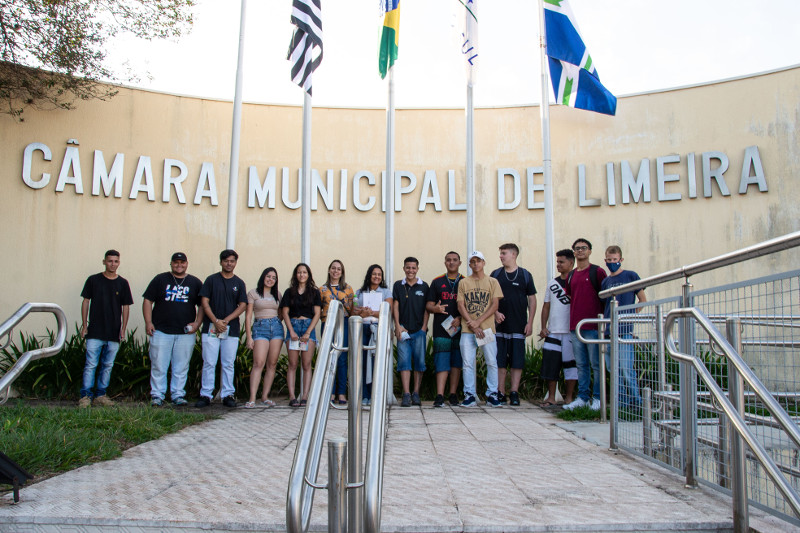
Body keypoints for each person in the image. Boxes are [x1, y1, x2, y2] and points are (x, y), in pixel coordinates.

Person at [142, 252, 203, 407]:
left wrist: (197, 323)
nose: (179, 265)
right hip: (161, 330)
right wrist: (148, 322)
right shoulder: (160, 279)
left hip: (185, 332)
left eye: (182, 262)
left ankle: (178, 394)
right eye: (176, 262)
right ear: (171, 264)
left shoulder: (195, 282)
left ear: (187, 264)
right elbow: (148, 300)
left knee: (181, 366)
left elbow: (203, 305)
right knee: (158, 365)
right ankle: (157, 395)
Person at [78, 249, 134, 408]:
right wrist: (84, 325)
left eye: (116, 261)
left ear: (119, 263)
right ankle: (85, 396)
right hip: (95, 331)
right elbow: (85, 302)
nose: (113, 264)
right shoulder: (93, 280)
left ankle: (101, 395)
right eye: (110, 261)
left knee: (108, 365)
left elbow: (126, 307)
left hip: (113, 332)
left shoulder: (123, 283)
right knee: (91, 364)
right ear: (104, 262)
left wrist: (123, 329)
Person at [195, 249, 247, 408]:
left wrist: (225, 321)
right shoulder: (211, 280)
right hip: (210, 328)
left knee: (228, 363)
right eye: (226, 261)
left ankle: (227, 394)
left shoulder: (239, 283)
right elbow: (205, 302)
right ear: (221, 262)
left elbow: (243, 305)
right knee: (209, 362)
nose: (229, 263)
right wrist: (215, 321)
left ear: (235, 263)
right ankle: (206, 394)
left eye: (232, 261)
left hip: (230, 330)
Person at [564, 238, 607, 411]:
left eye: (584, 248)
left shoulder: (597, 272)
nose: (580, 251)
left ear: (589, 251)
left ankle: (597, 398)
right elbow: (570, 297)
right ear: (574, 252)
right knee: (581, 365)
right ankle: (582, 397)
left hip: (594, 327)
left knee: (596, 364)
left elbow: (605, 296)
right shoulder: (572, 275)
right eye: (577, 248)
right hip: (575, 326)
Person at [601, 245, 647, 411]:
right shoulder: (606, 282)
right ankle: (621, 404)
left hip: (625, 330)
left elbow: (642, 299)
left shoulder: (630, 276)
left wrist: (629, 315)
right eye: (609, 260)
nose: (612, 262)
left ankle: (637, 403)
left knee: (626, 369)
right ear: (605, 260)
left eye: (615, 260)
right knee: (613, 370)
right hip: (608, 331)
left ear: (621, 260)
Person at [491, 243, 537, 406]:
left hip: (519, 325)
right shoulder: (496, 274)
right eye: (500, 253)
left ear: (513, 254)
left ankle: (514, 392)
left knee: (517, 362)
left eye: (504, 253)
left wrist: (530, 322)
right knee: (500, 361)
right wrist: (495, 312)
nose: (501, 256)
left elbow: (532, 300)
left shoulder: (525, 275)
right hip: (499, 327)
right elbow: (490, 298)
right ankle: (500, 392)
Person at [457, 251, 504, 408]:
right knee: (467, 363)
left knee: (491, 362)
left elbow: (495, 305)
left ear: (484, 263)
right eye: (472, 261)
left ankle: (492, 394)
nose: (476, 264)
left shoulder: (492, 282)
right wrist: (472, 323)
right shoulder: (464, 283)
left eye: (478, 261)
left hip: (486, 330)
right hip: (468, 330)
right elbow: (460, 305)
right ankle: (469, 394)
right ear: (469, 264)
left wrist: (478, 322)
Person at [539, 249, 578, 407]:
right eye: (557, 262)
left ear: (571, 263)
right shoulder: (552, 283)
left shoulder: (576, 282)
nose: (558, 265)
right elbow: (546, 306)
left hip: (570, 331)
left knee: (570, 366)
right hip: (553, 331)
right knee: (551, 365)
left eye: (561, 262)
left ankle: (569, 398)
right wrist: (543, 326)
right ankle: (551, 397)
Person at [280, 263, 321, 407]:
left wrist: (308, 332)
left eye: (304, 272)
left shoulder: (314, 293)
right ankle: (292, 397)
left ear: (308, 275)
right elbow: (285, 312)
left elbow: (317, 314)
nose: (301, 275)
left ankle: (305, 396)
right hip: (293, 327)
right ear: (295, 275)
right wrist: (290, 331)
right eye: (299, 272)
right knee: (292, 364)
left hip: (308, 328)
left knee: (306, 364)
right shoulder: (289, 292)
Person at [426, 251, 464, 407]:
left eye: (455, 260)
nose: (451, 262)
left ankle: (453, 394)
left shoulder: (466, 282)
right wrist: (436, 309)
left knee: (456, 362)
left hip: (461, 328)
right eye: (448, 260)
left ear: (460, 263)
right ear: (445, 263)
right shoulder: (437, 282)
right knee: (441, 361)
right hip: (441, 328)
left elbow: (472, 308)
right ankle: (440, 395)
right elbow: (428, 305)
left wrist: (461, 318)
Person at [392, 257, 430, 407]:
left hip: (419, 331)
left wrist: (424, 328)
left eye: (413, 268)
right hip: (403, 330)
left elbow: (428, 308)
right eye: (408, 268)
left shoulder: (424, 286)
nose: (411, 271)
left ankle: (416, 393)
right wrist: (397, 326)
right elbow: (395, 306)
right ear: (404, 268)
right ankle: (406, 394)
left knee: (419, 363)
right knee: (404, 362)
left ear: (417, 269)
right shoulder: (398, 285)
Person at [353, 264, 393, 406]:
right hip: (362, 329)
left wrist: (370, 312)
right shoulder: (359, 292)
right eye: (374, 274)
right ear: (369, 275)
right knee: (363, 362)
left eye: (379, 274)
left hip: (378, 329)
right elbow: (354, 310)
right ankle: (364, 395)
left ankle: (376, 394)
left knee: (376, 363)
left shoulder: (386, 292)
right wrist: (361, 312)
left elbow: (388, 311)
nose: (376, 277)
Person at [244, 267, 284, 409]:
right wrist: (249, 337)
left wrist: (276, 323)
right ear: (263, 277)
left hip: (276, 328)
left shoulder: (277, 294)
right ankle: (252, 398)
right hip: (260, 328)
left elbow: (281, 313)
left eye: (274, 277)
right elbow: (248, 316)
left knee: (272, 364)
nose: (271, 279)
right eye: (268, 276)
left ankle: (265, 396)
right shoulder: (253, 293)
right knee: (258, 363)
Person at [319, 259, 355, 405]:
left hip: (343, 323)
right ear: (329, 270)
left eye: (338, 269)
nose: (335, 271)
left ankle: (341, 392)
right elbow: (318, 308)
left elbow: (352, 309)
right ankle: (330, 391)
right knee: (329, 358)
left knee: (341, 358)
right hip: (327, 324)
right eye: (333, 268)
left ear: (342, 272)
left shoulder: (348, 288)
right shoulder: (321, 289)